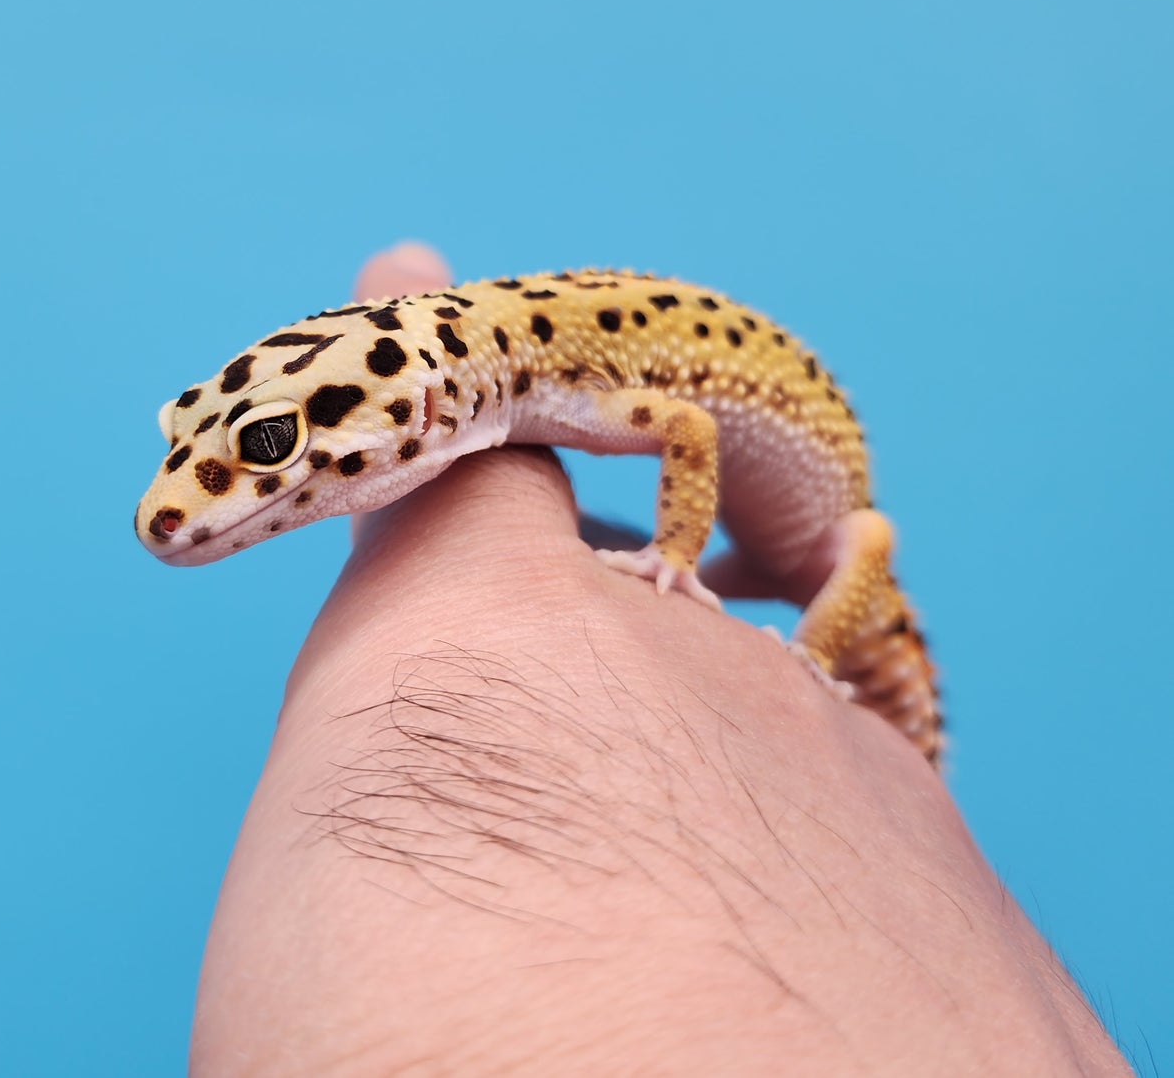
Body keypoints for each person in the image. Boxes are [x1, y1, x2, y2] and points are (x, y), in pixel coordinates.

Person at [189, 244, 1130, 1076]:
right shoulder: (498, 373)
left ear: (425, 397)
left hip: (842, 543)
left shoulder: (555, 378)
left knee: (839, 565)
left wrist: (675, 558)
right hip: (764, 542)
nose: (179, 507)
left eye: (269, 446)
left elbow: (689, 428)